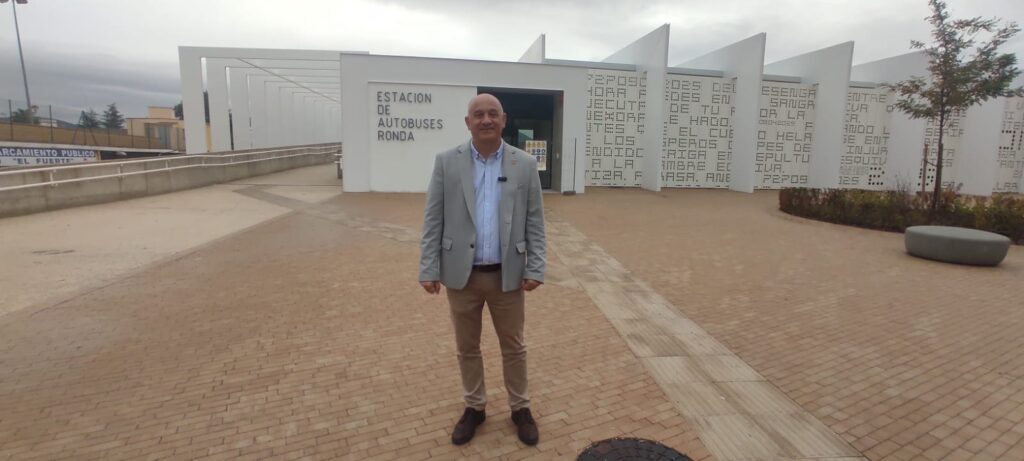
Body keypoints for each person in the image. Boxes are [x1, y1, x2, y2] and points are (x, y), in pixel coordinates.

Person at [419, 93, 546, 446]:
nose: (486, 120)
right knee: (467, 347)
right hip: (462, 276)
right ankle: (474, 407)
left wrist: (536, 265)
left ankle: (520, 408)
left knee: (514, 347)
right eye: (478, 114)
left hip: (508, 276)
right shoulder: (447, 162)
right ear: (468, 122)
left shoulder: (524, 164)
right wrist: (428, 267)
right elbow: (433, 219)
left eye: (493, 114)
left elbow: (535, 220)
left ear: (504, 120)